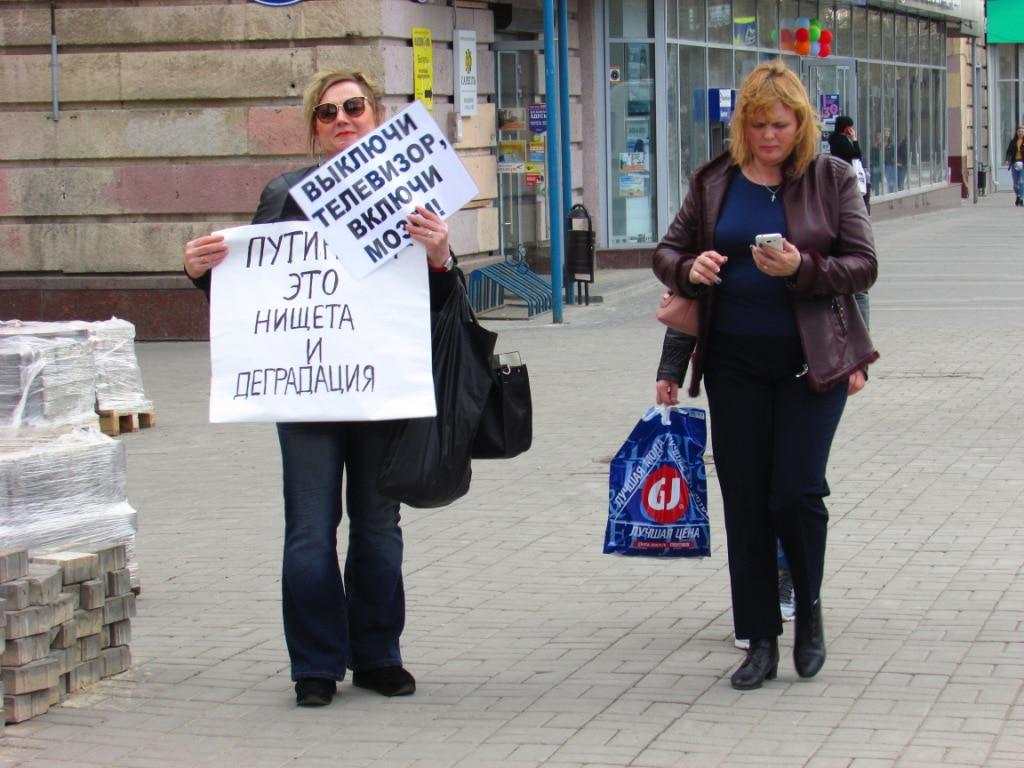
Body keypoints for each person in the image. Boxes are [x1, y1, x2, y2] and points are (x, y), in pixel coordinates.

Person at [183, 69, 460, 707]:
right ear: (314, 128)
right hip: (306, 392)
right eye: (327, 112)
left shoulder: (414, 195)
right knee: (310, 529)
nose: (342, 118)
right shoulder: (284, 192)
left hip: (380, 387)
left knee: (377, 525)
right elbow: (252, 294)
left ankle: (378, 656)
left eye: (354, 106)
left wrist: (442, 256)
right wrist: (198, 273)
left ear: (377, 115)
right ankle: (314, 664)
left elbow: (440, 301)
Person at [651, 61, 877, 691]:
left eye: (779, 125)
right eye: (756, 125)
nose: (768, 136)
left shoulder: (830, 178)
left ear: (801, 123)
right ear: (741, 125)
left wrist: (800, 267)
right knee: (746, 500)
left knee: (798, 492)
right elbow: (666, 254)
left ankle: (807, 610)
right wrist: (689, 267)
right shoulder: (715, 180)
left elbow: (863, 265)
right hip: (734, 364)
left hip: (811, 364)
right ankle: (759, 640)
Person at [828, 116, 870, 213]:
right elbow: (856, 154)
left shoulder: (834, 139)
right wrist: (854, 139)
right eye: (850, 127)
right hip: (847, 170)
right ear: (845, 128)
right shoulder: (841, 140)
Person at [1005, 125, 1024, 206]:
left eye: (1022, 132)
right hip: (1014, 163)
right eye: (1019, 131)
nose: (1021, 133)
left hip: (1023, 163)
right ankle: (1018, 196)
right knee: (1015, 182)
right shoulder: (1013, 141)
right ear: (1017, 132)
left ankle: (1021, 198)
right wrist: (1007, 160)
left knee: (1021, 181)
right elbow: (1009, 152)